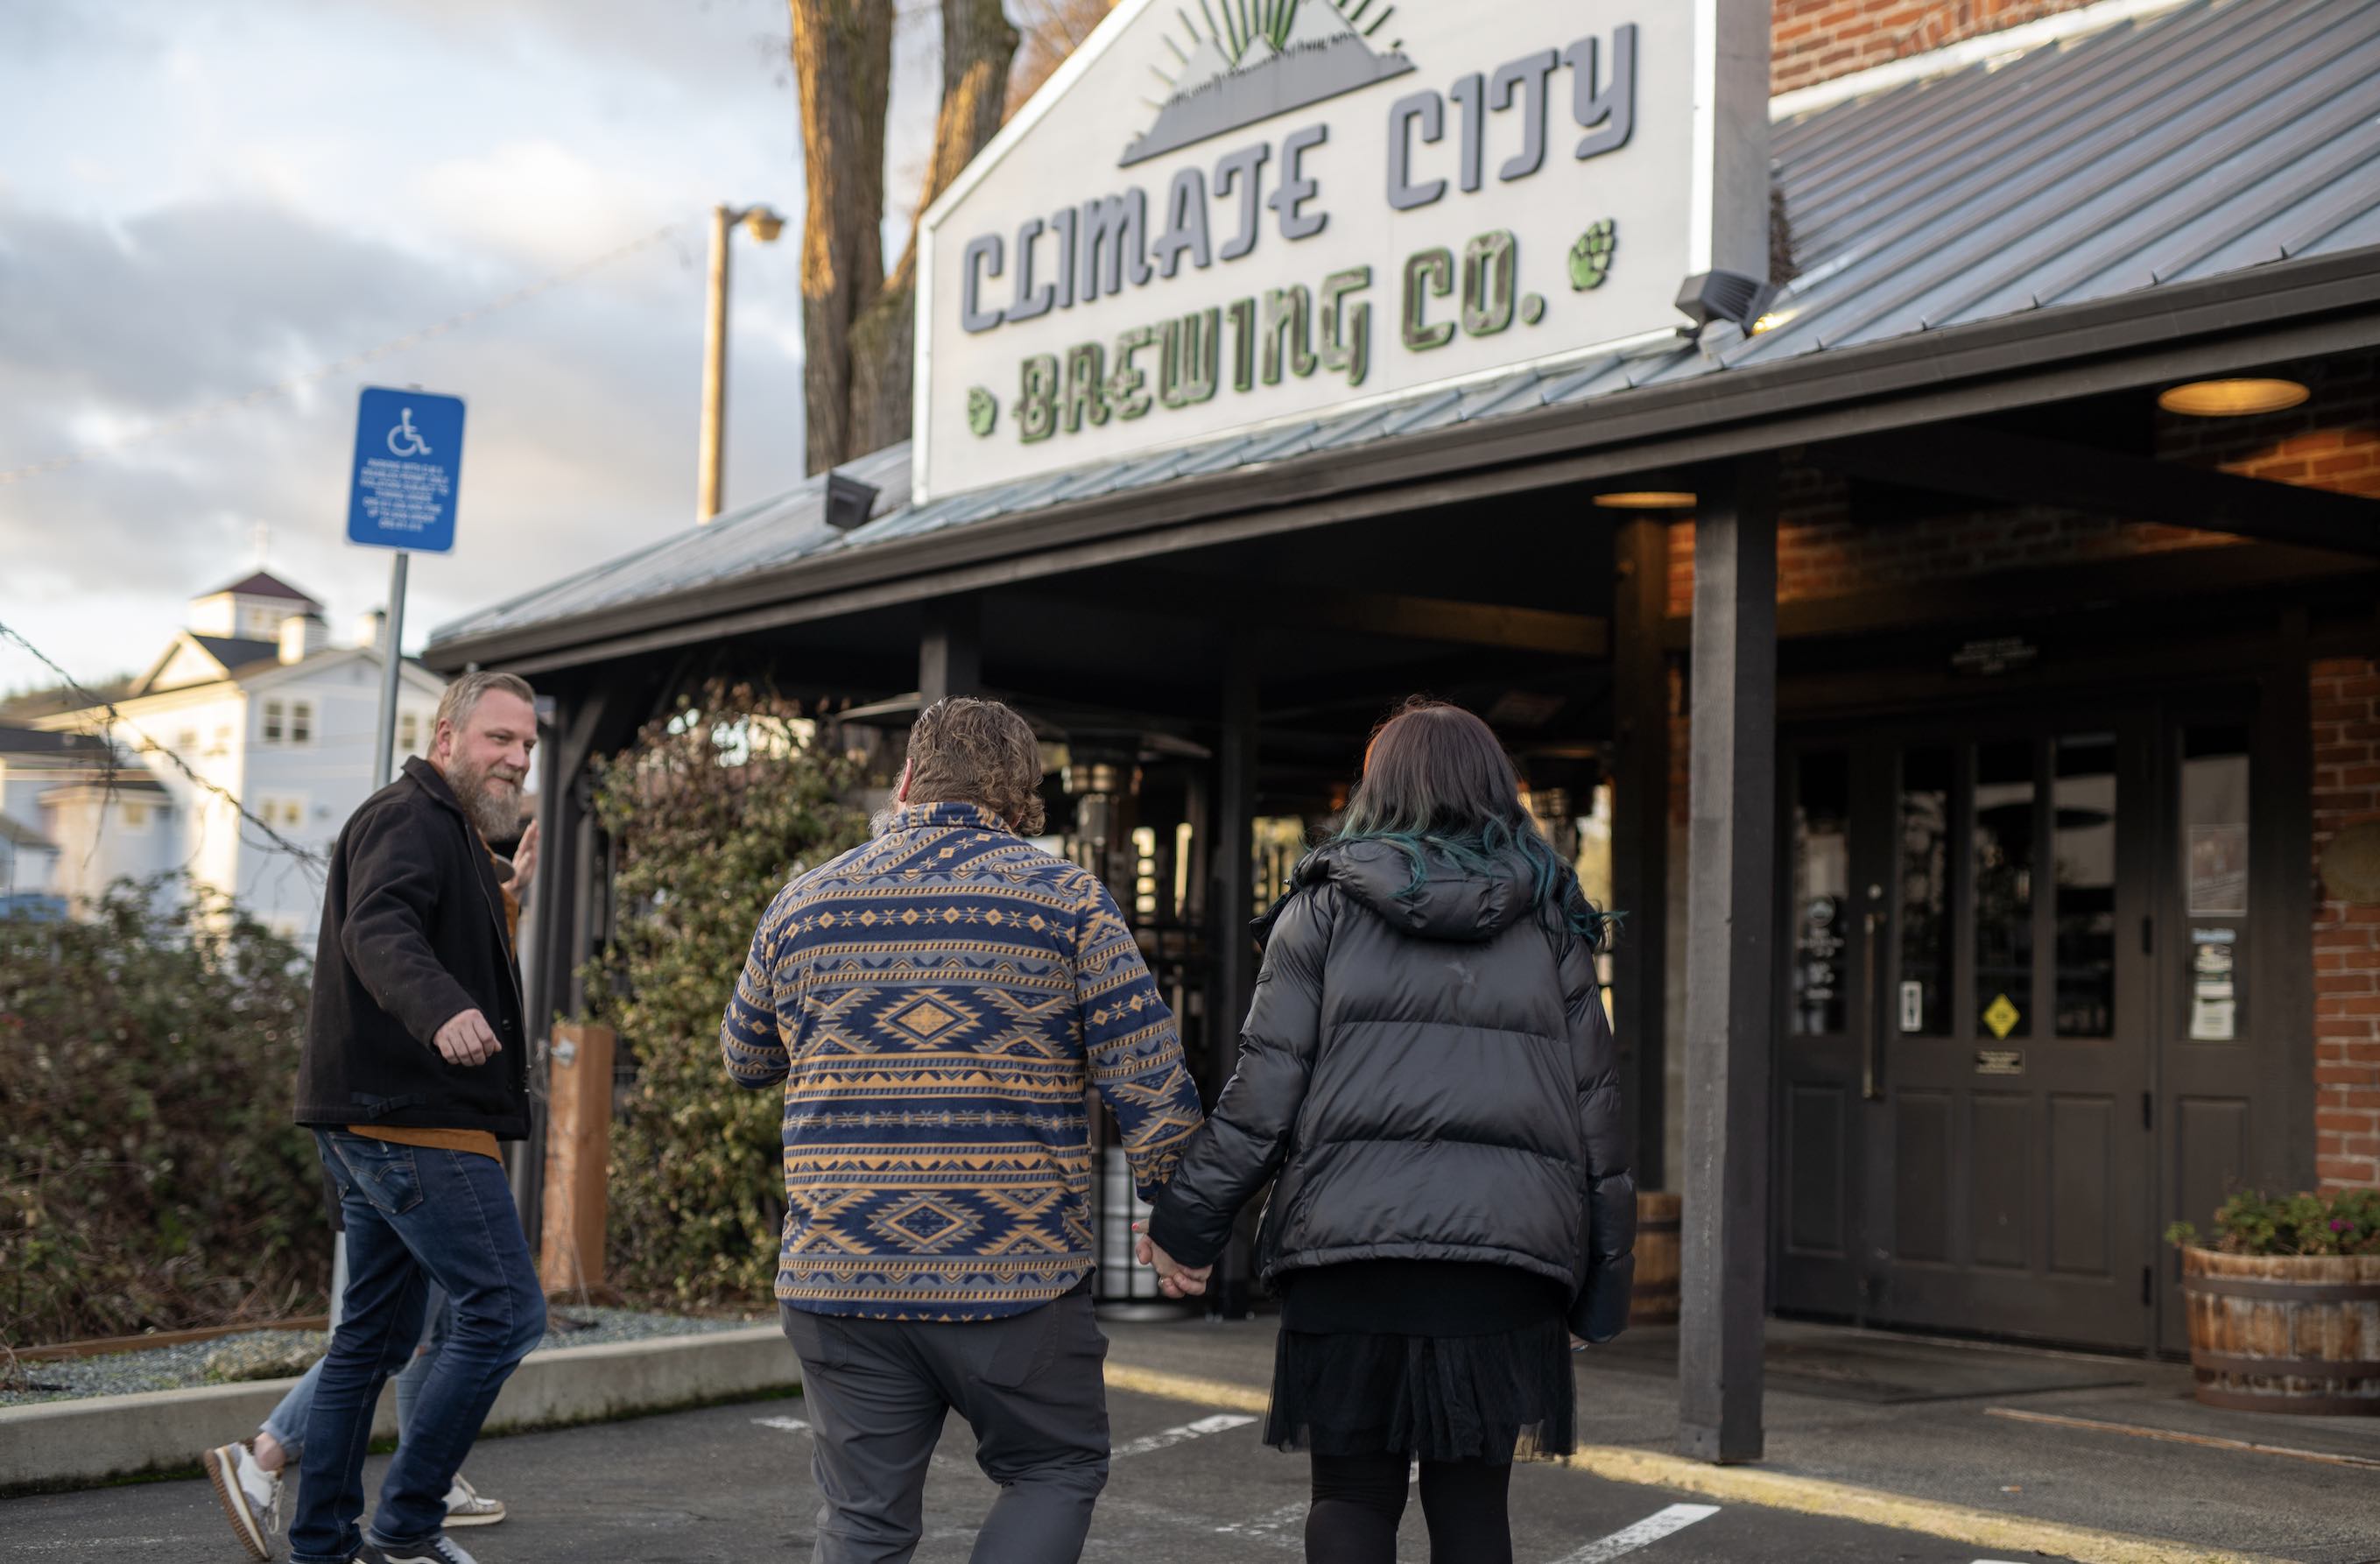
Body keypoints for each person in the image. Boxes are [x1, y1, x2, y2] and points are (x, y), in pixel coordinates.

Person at [1143, 698, 1636, 1564]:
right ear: (1496, 788)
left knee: (1350, 1496)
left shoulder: (1322, 907)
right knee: (1475, 1505)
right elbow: (1597, 1106)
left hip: (1349, 1255)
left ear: (1380, 787)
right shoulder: (1551, 917)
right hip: (1504, 1262)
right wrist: (1602, 1283)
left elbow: (1265, 1088)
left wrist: (1187, 1224)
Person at [722, 695, 1210, 1564]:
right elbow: (1153, 1084)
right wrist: (1183, 1229)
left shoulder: (804, 903)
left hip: (841, 1271)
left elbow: (745, 1057)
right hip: (1012, 1274)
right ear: (1025, 799)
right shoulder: (1068, 904)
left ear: (906, 779)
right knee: (1055, 1465)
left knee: (863, 1523)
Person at [286, 671, 547, 1564]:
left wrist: (506, 889)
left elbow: (431, 925)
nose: (516, 757)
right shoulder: (410, 817)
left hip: (373, 1118)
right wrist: (439, 1008)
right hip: (412, 1119)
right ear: (446, 739)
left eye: (526, 746)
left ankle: (322, 1543)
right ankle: (405, 1528)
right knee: (506, 1312)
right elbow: (380, 929)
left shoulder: (452, 836)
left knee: (374, 1338)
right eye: (498, 739)